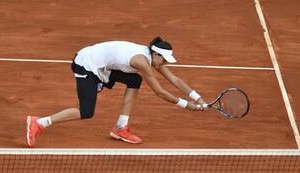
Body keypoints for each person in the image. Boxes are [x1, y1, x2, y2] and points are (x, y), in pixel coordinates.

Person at [26, 36, 207, 147]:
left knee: (135, 79)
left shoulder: (150, 57)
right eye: (164, 59)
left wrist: (198, 98)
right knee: (86, 111)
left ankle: (120, 127)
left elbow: (174, 79)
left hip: (101, 63)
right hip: (86, 64)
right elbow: (159, 91)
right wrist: (186, 105)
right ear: (156, 55)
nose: (165, 64)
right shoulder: (140, 61)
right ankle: (39, 123)